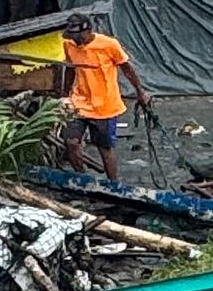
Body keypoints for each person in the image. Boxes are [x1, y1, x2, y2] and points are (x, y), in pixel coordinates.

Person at [60, 13, 150, 180]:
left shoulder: (108, 45)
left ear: (88, 31)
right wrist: (65, 95)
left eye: (77, 36)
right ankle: (83, 178)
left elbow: (127, 68)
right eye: (72, 36)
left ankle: (113, 183)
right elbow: (70, 68)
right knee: (71, 142)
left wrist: (140, 91)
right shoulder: (69, 45)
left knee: (104, 147)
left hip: (104, 105)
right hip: (79, 101)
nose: (75, 40)